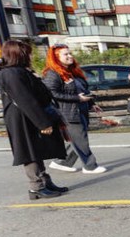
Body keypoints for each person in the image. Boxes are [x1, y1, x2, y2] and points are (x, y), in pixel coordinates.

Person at [0, 39, 70, 199]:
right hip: (23, 118)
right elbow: (25, 99)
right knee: (29, 151)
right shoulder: (10, 73)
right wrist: (42, 122)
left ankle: (44, 181)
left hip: (28, 116)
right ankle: (36, 186)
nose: (29, 56)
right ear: (18, 54)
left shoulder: (19, 71)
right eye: (26, 53)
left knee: (37, 149)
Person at [42, 44, 107, 174]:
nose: (70, 56)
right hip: (67, 113)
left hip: (81, 109)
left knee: (78, 138)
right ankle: (90, 166)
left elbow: (83, 90)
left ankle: (62, 162)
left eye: (70, 53)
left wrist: (91, 103)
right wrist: (77, 98)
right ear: (56, 57)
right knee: (81, 139)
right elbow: (52, 93)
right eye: (66, 54)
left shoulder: (73, 71)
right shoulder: (52, 74)